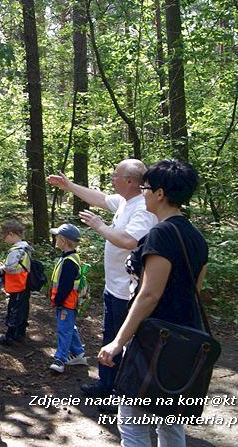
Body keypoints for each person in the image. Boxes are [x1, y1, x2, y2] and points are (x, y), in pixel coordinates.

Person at [98, 159, 208, 447]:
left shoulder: (161, 233)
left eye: (146, 188)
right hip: (186, 338)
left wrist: (118, 342)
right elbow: (194, 289)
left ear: (160, 193)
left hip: (156, 339)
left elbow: (150, 294)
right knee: (170, 423)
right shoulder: (196, 237)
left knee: (132, 423)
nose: (142, 194)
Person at [47, 159, 156, 397]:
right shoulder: (125, 202)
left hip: (129, 291)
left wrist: (99, 225)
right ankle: (106, 385)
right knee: (109, 337)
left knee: (124, 342)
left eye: (116, 176)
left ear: (129, 181)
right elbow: (100, 198)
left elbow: (129, 241)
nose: (112, 179)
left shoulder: (143, 209)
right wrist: (69, 186)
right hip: (113, 287)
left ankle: (121, 393)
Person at [48, 223, 87, 374]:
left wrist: (57, 300)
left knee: (64, 330)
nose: (55, 239)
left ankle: (60, 359)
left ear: (63, 240)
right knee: (69, 327)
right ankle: (78, 354)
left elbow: (65, 285)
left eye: (57, 237)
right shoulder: (69, 257)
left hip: (66, 303)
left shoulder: (70, 261)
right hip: (67, 302)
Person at [0, 219, 33, 345]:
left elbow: (10, 267)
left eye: (5, 236)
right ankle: (20, 333)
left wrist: (1, 267)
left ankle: (9, 336)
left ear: (11, 234)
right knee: (23, 309)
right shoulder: (26, 247)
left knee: (14, 310)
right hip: (24, 284)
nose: (4, 239)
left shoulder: (16, 250)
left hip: (17, 285)